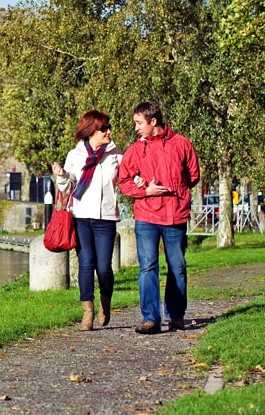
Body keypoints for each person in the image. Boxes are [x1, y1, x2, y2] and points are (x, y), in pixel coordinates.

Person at [118, 101, 200, 335]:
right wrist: (145, 191)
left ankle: (176, 316)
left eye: (138, 123)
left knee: (178, 266)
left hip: (175, 215)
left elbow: (193, 175)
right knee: (147, 267)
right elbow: (124, 181)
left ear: (153, 122)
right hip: (146, 216)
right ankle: (151, 319)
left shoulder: (181, 144)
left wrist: (176, 189)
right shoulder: (135, 150)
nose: (136, 128)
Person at [52, 110, 122, 331]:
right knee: (86, 264)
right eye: (104, 128)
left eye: (108, 127)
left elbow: (128, 177)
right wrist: (62, 176)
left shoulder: (115, 153)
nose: (109, 131)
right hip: (81, 216)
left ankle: (105, 304)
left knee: (103, 269)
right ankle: (87, 314)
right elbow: (68, 187)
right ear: (92, 131)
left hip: (106, 217)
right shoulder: (75, 155)